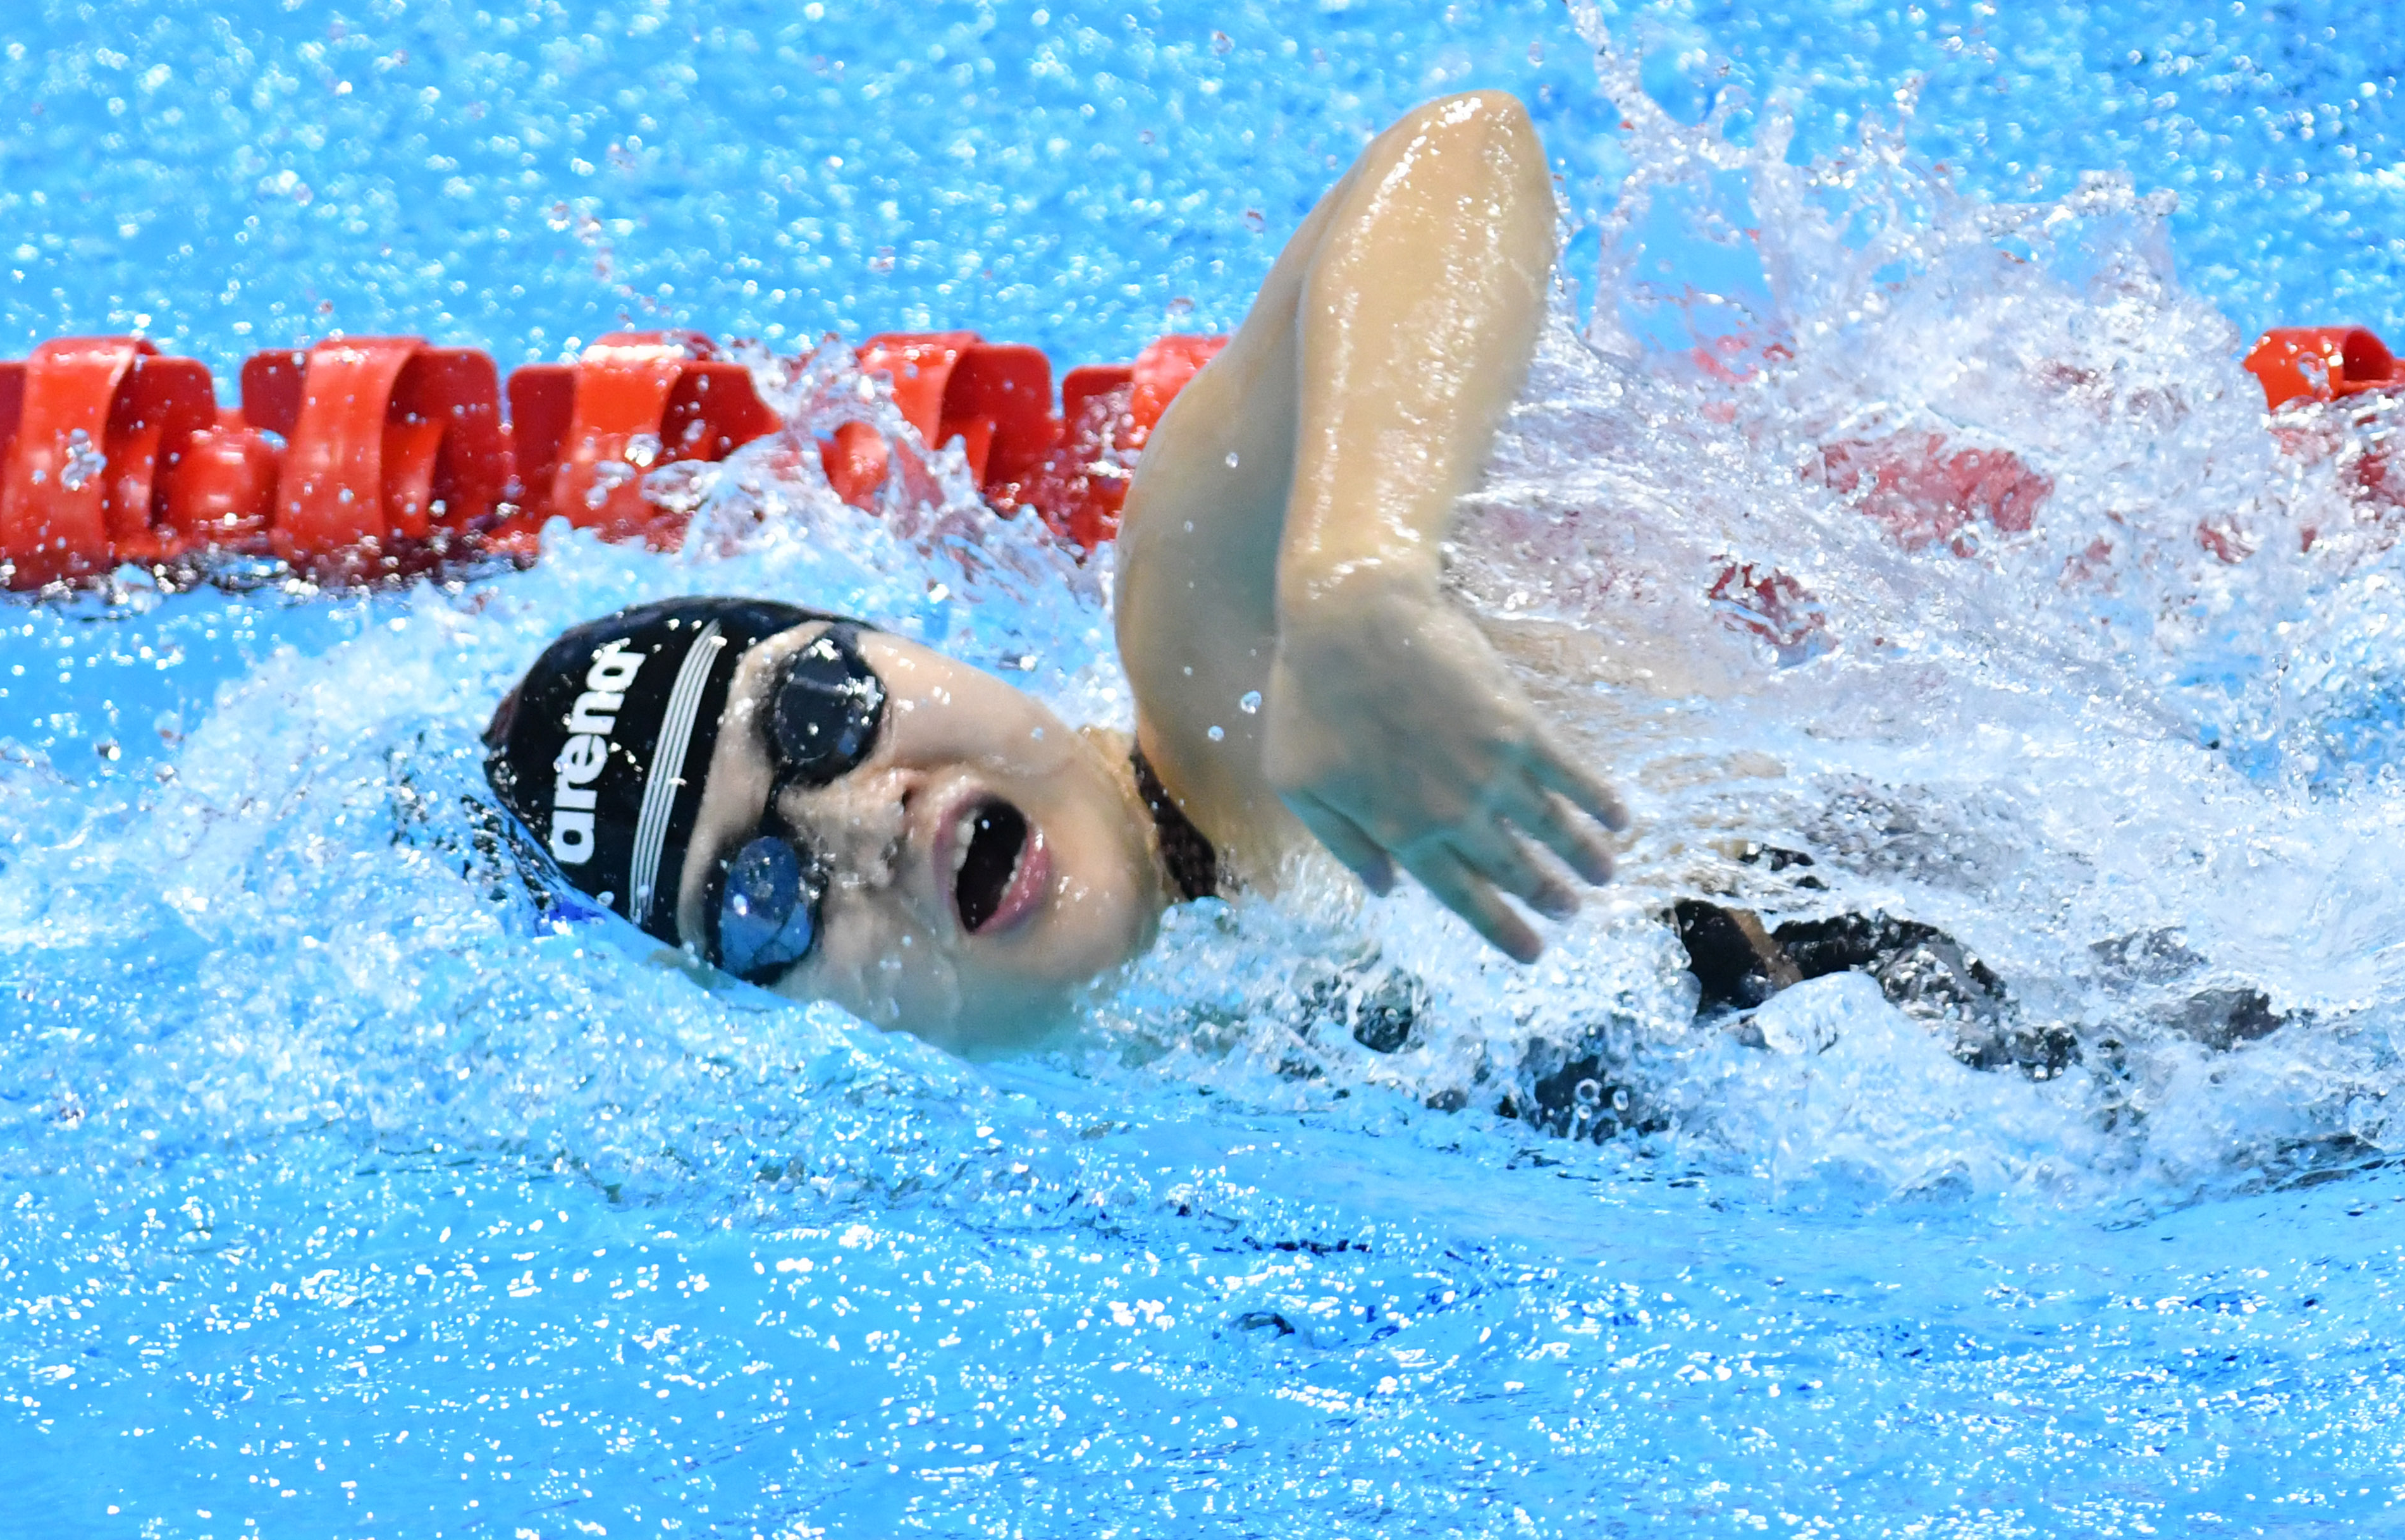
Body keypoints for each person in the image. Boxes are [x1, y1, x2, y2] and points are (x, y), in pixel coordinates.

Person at [484, 90, 1632, 1049]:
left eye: (821, 712)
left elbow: (1463, 154)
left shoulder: (1212, 643)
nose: (863, 825)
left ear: (892, 639)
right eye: (762, 902)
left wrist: (1353, 583)